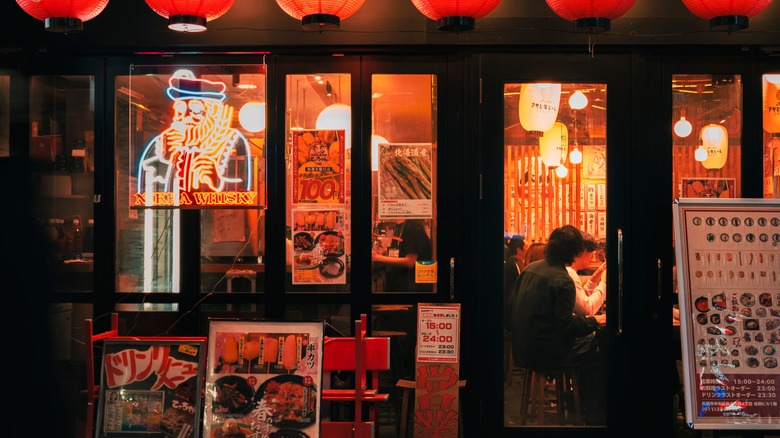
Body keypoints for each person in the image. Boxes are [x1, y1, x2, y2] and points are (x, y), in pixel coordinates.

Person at [137, 69, 253, 196]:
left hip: (212, 214)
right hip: (176, 213)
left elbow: (246, 188)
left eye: (196, 110)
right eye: (181, 110)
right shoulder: (162, 142)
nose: (186, 117)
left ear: (212, 113)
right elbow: (146, 185)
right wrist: (165, 160)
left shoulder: (232, 140)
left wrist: (216, 178)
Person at [507, 225, 601, 371]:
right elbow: (566, 327)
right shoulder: (563, 279)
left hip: (521, 348)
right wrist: (595, 321)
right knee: (596, 339)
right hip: (545, 353)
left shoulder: (529, 268)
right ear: (574, 251)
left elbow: (510, 310)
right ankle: (584, 393)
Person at [372, 219, 432, 292]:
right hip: (402, 284)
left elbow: (409, 262)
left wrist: (379, 258)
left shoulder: (412, 227)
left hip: (410, 287)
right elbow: (400, 252)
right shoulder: (399, 226)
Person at [569, 232, 607, 317]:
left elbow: (581, 300)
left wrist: (594, 278)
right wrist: (604, 283)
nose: (593, 257)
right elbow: (587, 309)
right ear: (583, 251)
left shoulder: (569, 271)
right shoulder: (570, 273)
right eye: (592, 253)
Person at [503, 234, 526, 306]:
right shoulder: (511, 265)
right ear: (519, 250)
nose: (528, 249)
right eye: (526, 247)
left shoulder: (520, 263)